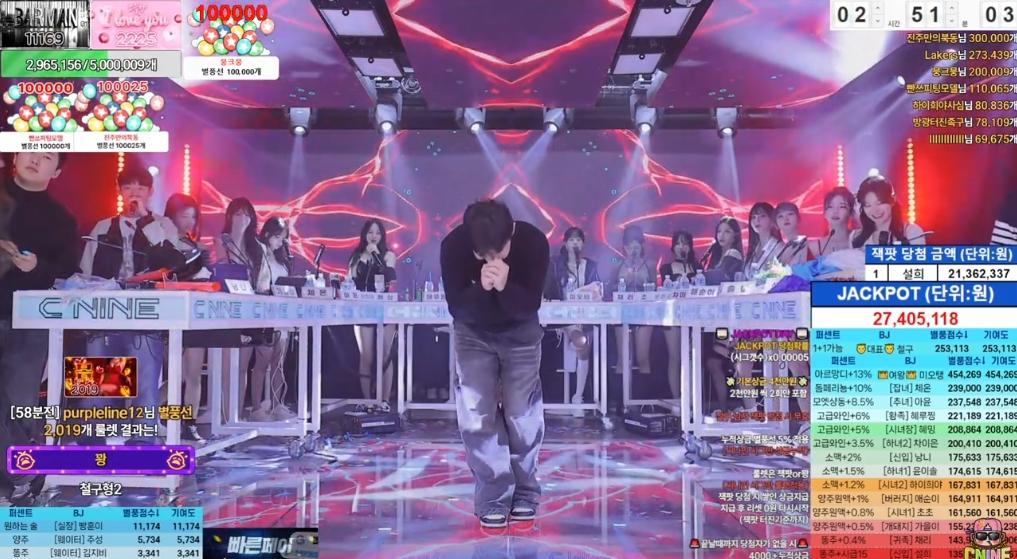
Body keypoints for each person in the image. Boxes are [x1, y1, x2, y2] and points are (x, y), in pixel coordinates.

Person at [440, 199, 549, 528]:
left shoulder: (533, 242)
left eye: (498, 253)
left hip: (521, 334)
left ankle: (526, 491)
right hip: (473, 335)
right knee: (478, 414)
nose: (491, 261)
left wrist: (504, 286)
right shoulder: (454, 245)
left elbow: (530, 304)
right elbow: (457, 307)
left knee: (522, 413)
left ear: (510, 235)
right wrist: (481, 289)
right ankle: (493, 495)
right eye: (482, 256)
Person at [79, 164, 181, 444]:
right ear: (119, 191)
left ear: (150, 192)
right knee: (99, 380)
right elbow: (85, 273)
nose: (134, 193)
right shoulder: (103, 227)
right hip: (105, 314)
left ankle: (143, 440)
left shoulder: (162, 225)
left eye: (140, 188)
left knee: (145, 380)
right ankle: (92, 437)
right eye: (128, 187)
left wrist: (147, 222)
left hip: (146, 314)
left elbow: (174, 263)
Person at [0, 152, 78, 504]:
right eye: (30, 151)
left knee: (20, 402)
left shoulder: (61, 219)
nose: (35, 159)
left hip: (28, 321)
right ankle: (17, 478)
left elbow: (65, 271)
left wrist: (35, 267)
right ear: (15, 156)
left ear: (57, 171)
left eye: (46, 157)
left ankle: (22, 477)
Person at [164, 193, 211, 440]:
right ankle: (154, 417)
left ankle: (189, 423)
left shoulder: (197, 246)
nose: (190, 222)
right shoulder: (162, 242)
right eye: (184, 216)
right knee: (172, 374)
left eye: (193, 217)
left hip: (196, 312)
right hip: (170, 313)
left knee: (193, 373)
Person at [211, 198, 260, 421]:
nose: (242, 219)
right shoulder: (222, 240)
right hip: (226, 310)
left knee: (241, 367)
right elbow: (228, 268)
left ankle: (236, 416)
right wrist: (237, 234)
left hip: (247, 310)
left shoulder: (255, 246)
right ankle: (224, 418)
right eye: (238, 214)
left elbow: (253, 276)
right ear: (229, 216)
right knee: (226, 368)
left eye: (246, 214)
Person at [545, 227, 600, 416]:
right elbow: (549, 290)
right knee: (580, 340)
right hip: (563, 317)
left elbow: (598, 290)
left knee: (584, 342)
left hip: (586, 315)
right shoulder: (555, 265)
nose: (575, 243)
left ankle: (578, 397)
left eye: (578, 240)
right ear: (565, 243)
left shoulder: (590, 266)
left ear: (583, 244)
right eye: (571, 240)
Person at [249, 217, 296, 421]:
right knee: (262, 362)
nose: (280, 242)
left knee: (279, 363)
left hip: (282, 315)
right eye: (277, 237)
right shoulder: (259, 253)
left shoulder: (281, 258)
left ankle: (277, 405)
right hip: (264, 314)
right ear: (268, 234)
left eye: (283, 239)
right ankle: (256, 408)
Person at [348, 218, 398, 411]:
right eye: (370, 232)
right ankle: (368, 400)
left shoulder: (388, 255)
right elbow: (350, 280)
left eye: (377, 233)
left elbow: (389, 276)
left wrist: (376, 255)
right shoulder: (356, 257)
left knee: (385, 355)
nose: (374, 236)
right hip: (363, 309)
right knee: (366, 356)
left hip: (385, 309)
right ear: (364, 235)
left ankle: (384, 400)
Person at [701, 217, 743, 416]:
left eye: (727, 231)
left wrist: (698, 276)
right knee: (714, 363)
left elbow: (718, 277)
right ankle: (724, 407)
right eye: (719, 231)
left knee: (731, 363)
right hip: (718, 316)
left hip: (730, 317)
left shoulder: (733, 254)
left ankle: (742, 406)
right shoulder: (717, 255)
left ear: (735, 235)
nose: (722, 236)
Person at [660, 231, 699, 401]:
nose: (681, 247)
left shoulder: (697, 267)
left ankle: (692, 398)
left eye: (685, 243)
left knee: (692, 357)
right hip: (673, 315)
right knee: (675, 357)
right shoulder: (666, 268)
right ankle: (677, 399)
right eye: (678, 243)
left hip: (694, 315)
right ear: (673, 247)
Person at [613, 225, 653, 382]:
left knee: (643, 358)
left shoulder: (649, 264)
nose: (633, 250)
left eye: (637, 246)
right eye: (630, 246)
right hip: (622, 312)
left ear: (642, 246)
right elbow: (609, 289)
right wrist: (624, 282)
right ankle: (620, 396)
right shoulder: (618, 263)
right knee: (622, 358)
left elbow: (655, 289)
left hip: (644, 312)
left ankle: (643, 395)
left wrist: (644, 285)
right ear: (624, 247)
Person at [851, 176, 926, 247]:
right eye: (868, 205)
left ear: (892, 200)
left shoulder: (911, 232)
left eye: (879, 203)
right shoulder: (855, 236)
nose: (875, 210)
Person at [808, 187, 856, 258]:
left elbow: (873, 264)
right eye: (830, 207)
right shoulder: (814, 247)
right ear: (824, 213)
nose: (835, 211)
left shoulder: (865, 242)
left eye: (842, 206)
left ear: (851, 213)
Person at [743, 202, 784, 279]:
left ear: (772, 220)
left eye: (762, 216)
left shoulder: (780, 248)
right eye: (753, 217)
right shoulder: (753, 250)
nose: (757, 220)